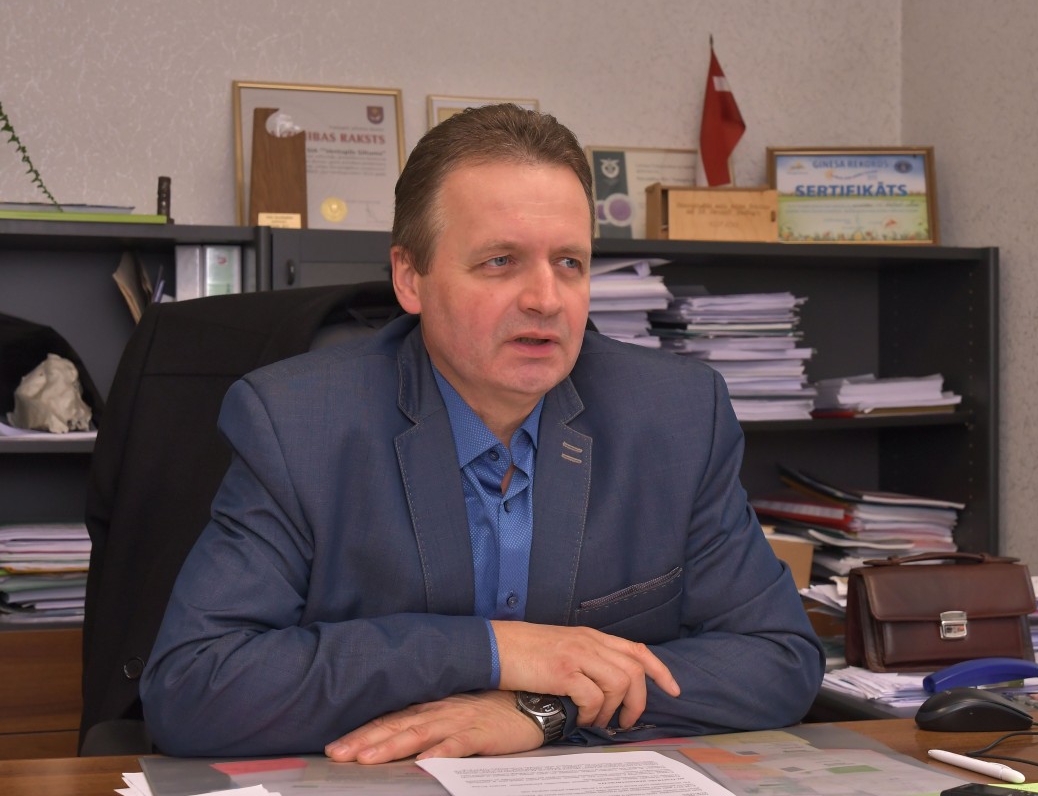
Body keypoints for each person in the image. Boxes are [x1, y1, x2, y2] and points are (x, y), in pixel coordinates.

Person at [140, 103, 824, 763]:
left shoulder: (675, 416)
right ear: (410, 277)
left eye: (569, 263)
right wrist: (494, 650)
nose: (545, 299)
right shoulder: (298, 425)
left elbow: (778, 658)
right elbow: (195, 687)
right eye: (500, 261)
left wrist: (542, 709)